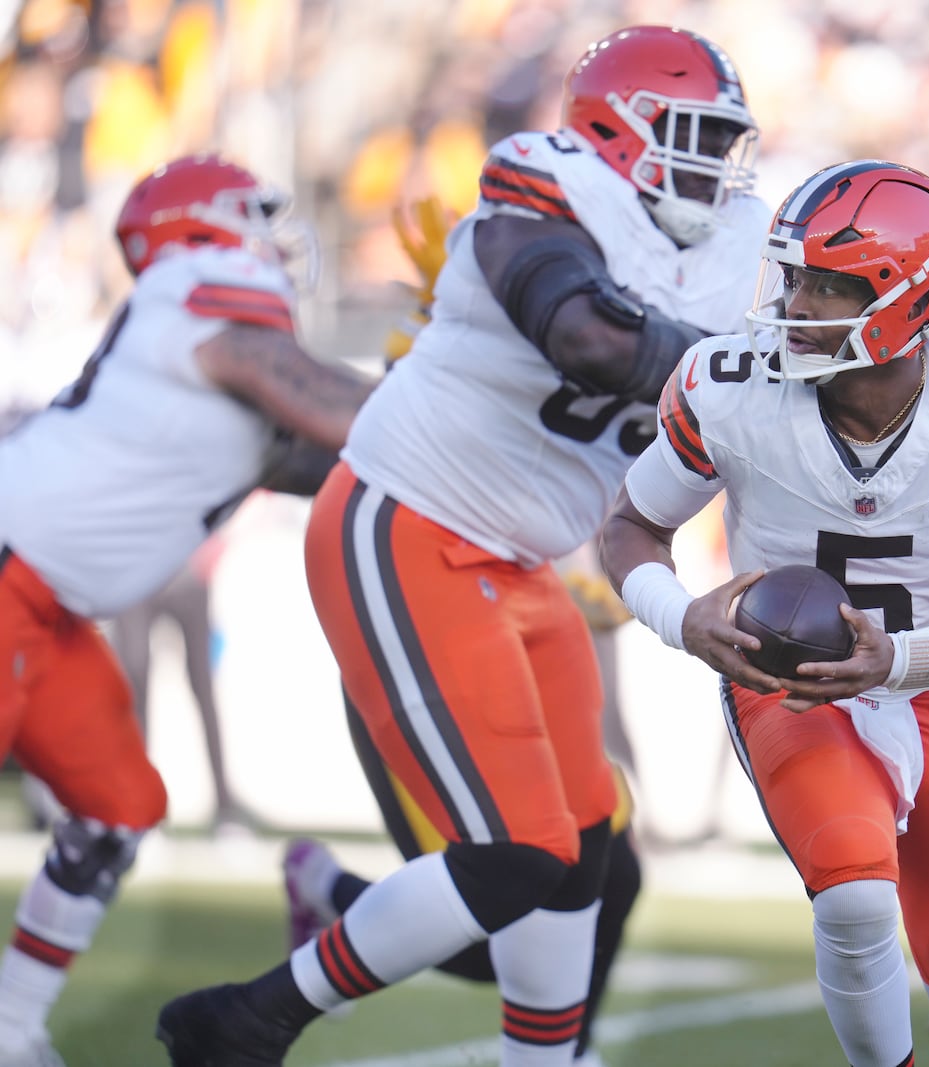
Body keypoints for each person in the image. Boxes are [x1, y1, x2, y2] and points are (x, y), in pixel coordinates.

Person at [156, 24, 770, 1067]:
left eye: (725, 142)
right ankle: (247, 1020)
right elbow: (585, 336)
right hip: (409, 523)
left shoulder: (731, 244)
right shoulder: (539, 181)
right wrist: (743, 370)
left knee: (584, 847)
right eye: (690, 136)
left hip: (521, 563)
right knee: (515, 851)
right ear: (616, 133)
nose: (712, 167)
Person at [599, 159, 929, 1067]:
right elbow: (628, 526)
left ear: (908, 301)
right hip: (786, 682)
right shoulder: (729, 385)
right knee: (854, 894)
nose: (796, 303)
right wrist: (681, 615)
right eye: (796, 276)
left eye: (827, 284)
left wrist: (895, 662)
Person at [0, 152, 374, 1067]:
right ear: (197, 231)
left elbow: (326, 456)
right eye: (253, 214)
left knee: (116, 806)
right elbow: (310, 392)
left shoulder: (196, 328)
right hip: (12, 578)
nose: (273, 238)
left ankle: (9, 1029)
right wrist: (445, 410)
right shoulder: (204, 287)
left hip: (45, 606)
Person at [278, 199, 644, 1066]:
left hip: (521, 623)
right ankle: (321, 887)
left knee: (610, 873)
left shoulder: (585, 330)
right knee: (503, 895)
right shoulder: (451, 354)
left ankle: (564, 1048)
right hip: (430, 630)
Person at [109, 535, 261, 836]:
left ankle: (226, 811)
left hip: (187, 573)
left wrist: (210, 551)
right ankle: (137, 812)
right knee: (134, 682)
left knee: (204, 688)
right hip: (136, 575)